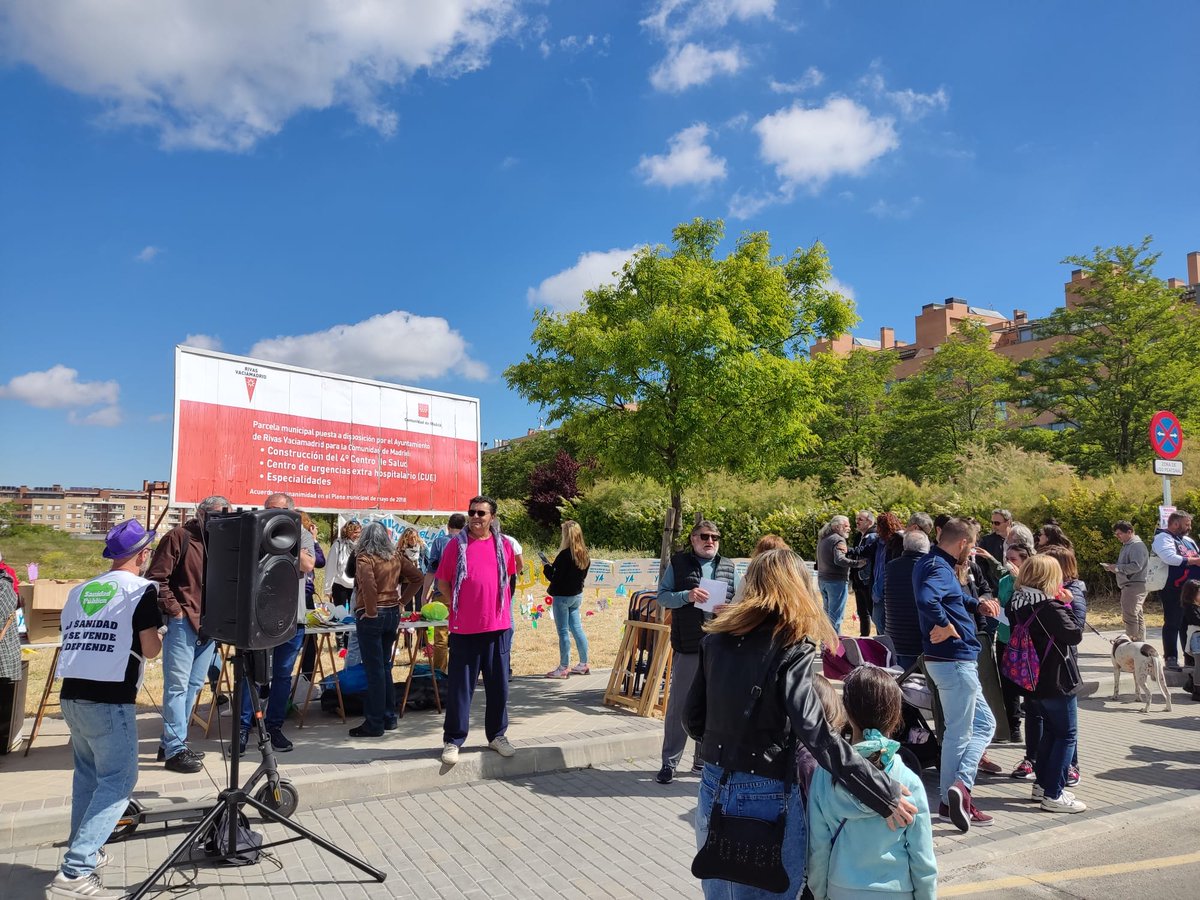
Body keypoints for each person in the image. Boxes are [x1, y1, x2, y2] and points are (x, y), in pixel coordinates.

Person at [684, 548, 917, 900]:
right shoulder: (793, 647)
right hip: (767, 790)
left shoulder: (715, 641)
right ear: (799, 587)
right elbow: (818, 734)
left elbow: (693, 721)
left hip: (714, 784)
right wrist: (882, 791)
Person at [47, 520, 162, 899]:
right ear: (143, 555)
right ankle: (75, 872)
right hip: (110, 699)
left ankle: (86, 852)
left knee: (88, 778)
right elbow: (149, 649)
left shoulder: (81, 589)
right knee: (118, 782)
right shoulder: (141, 590)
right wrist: (161, 635)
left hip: (72, 696)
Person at [807, 665, 937, 900]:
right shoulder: (909, 781)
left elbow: (818, 848)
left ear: (847, 711)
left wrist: (820, 893)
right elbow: (922, 859)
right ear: (896, 715)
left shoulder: (824, 774)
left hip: (841, 888)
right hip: (897, 891)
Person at [912, 517, 1000, 833]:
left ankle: (951, 803)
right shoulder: (939, 567)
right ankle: (960, 788)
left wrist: (977, 605)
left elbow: (951, 596)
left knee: (962, 731)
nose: (973, 552)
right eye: (972, 545)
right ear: (963, 543)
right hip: (955, 660)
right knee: (970, 730)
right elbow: (927, 599)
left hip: (945, 661)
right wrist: (945, 626)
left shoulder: (930, 562)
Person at [146, 494, 228, 774]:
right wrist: (175, 610)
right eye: (214, 516)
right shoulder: (178, 536)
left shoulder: (222, 541)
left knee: (194, 687)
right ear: (201, 514)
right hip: (183, 622)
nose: (218, 521)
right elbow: (157, 578)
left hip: (209, 625)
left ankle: (170, 742)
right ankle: (175, 749)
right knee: (177, 687)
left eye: (223, 516)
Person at [435, 496, 519, 765]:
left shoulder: (503, 546)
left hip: (498, 628)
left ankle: (497, 735)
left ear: (492, 517)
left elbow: (510, 581)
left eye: (481, 513)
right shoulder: (454, 547)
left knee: (499, 687)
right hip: (464, 629)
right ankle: (453, 740)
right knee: (461, 688)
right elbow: (443, 583)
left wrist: (499, 609)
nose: (475, 517)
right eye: (472, 512)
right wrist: (460, 606)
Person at [654, 520, 736, 785]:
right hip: (689, 645)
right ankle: (669, 762)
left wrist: (731, 610)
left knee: (714, 706)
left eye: (715, 537)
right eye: (704, 536)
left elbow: (742, 602)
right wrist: (686, 597)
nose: (710, 541)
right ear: (693, 539)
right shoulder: (678, 564)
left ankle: (702, 760)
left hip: (721, 646)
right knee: (680, 705)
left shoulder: (729, 567)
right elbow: (663, 597)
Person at [233, 493, 315, 754]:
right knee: (252, 675)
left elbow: (308, 564)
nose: (270, 514)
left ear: (291, 511)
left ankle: (274, 728)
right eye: (267, 509)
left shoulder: (302, 534)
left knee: (282, 675)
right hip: (258, 617)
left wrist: (287, 536)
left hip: (292, 618)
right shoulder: (256, 530)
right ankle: (244, 729)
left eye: (277, 510)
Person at [1007, 555, 1085, 813]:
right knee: (1066, 735)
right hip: (1056, 678)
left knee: (1050, 733)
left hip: (1031, 678)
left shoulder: (1017, 602)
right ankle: (1054, 794)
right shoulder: (1050, 607)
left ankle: (1041, 785)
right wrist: (1069, 604)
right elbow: (1074, 633)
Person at [351, 522, 421, 737]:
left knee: (374, 670)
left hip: (374, 615)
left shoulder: (364, 558)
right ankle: (388, 717)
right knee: (383, 667)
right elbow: (418, 577)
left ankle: (374, 722)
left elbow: (369, 585)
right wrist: (402, 601)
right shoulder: (395, 557)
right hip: (392, 613)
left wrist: (371, 611)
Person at [1150, 510, 1200, 671]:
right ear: (1175, 523)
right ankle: (1170, 657)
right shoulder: (1162, 538)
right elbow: (1170, 558)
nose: (1189, 527)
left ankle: (1190, 658)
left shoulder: (1187, 540)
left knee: (1190, 623)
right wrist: (1195, 561)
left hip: (1192, 590)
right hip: (1173, 588)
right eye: (1187, 524)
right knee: (1173, 622)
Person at [543, 520, 591, 678]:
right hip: (577, 595)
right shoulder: (584, 553)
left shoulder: (564, 555)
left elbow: (554, 578)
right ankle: (584, 663)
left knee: (563, 631)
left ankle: (564, 667)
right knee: (577, 629)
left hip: (562, 597)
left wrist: (547, 567)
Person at [998, 542, 1032, 754]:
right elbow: (1003, 604)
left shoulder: (1031, 581)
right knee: (1008, 686)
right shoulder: (1003, 581)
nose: (1009, 563)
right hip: (1004, 636)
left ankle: (1031, 725)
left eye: (1014, 559)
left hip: (1024, 641)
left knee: (1027, 684)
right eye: (1007, 559)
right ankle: (1013, 727)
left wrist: (1018, 580)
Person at [884, 529, 931, 672]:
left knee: (903, 685)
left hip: (895, 636)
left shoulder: (891, 566)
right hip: (920, 640)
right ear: (927, 546)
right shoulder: (929, 567)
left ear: (905, 546)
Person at [1103, 521, 1150, 641]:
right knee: (1136, 616)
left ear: (1129, 532)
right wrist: (1114, 568)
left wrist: (1118, 568)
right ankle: (1139, 644)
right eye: (1116, 534)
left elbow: (1136, 566)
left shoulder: (1136, 545)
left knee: (1130, 616)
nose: (1117, 537)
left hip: (1134, 584)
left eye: (1119, 534)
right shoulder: (1129, 545)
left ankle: (1132, 644)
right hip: (1132, 584)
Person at [817, 516, 863, 634]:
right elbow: (839, 560)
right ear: (838, 527)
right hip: (836, 582)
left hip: (823, 580)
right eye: (847, 526)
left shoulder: (824, 538)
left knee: (827, 617)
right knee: (835, 618)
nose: (850, 529)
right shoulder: (838, 539)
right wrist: (857, 563)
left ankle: (825, 645)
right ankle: (834, 648)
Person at [869, 513, 905, 635]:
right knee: (878, 619)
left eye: (878, 526)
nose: (877, 529)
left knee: (880, 620)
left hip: (885, 586)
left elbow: (889, 567)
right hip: (880, 584)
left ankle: (888, 646)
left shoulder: (896, 542)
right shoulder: (879, 542)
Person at [850, 511, 879, 638]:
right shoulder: (859, 536)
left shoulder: (872, 537)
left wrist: (862, 576)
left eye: (861, 519)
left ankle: (879, 638)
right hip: (859, 581)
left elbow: (867, 557)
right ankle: (864, 639)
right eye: (857, 519)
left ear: (870, 522)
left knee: (873, 613)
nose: (857, 521)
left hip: (866, 581)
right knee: (862, 613)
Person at [325, 520, 361, 611]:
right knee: (340, 616)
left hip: (356, 586)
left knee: (355, 615)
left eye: (359, 532)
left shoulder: (362, 546)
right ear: (347, 532)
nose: (357, 535)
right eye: (355, 532)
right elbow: (330, 567)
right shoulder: (338, 545)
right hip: (340, 585)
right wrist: (328, 589)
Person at [1181, 580, 1200, 700]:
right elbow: (1196, 620)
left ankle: (1191, 683)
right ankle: (1197, 690)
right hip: (1197, 639)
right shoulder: (1189, 608)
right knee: (1199, 665)